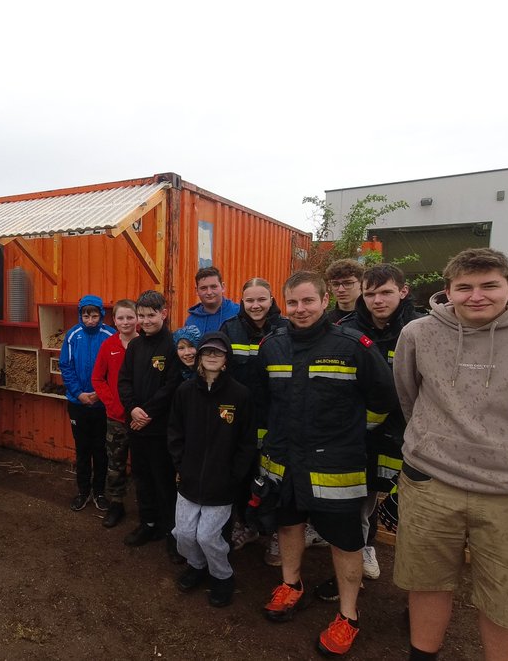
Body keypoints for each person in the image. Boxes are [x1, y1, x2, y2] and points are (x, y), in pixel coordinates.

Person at [392, 248, 508, 661]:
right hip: (431, 483)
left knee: (506, 597)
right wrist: (433, 442)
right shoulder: (418, 335)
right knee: (425, 583)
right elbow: (409, 396)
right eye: (464, 287)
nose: (476, 296)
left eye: (489, 286)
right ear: (448, 292)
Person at [256, 271, 396, 657]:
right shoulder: (272, 346)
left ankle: (348, 616)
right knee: (288, 524)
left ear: (323, 302)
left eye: (308, 301)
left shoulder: (353, 345)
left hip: (335, 466)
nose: (300, 310)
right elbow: (265, 404)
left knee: (345, 541)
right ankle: (291, 584)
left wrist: (351, 433)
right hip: (284, 462)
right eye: (294, 303)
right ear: (284, 304)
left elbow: (383, 399)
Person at [313, 263, 422, 599]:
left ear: (402, 291)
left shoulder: (421, 330)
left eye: (385, 292)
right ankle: (351, 575)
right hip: (356, 435)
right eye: (371, 293)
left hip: (409, 440)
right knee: (356, 506)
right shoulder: (344, 328)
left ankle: (415, 596)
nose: (377, 300)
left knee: (410, 517)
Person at [168, 332, 254, 607]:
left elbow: (247, 441)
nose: (212, 357)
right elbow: (175, 431)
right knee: (183, 533)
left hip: (222, 483)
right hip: (190, 478)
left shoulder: (239, 394)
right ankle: (196, 566)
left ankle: (221, 576)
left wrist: (235, 475)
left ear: (226, 358)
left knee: (207, 535)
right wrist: (180, 464)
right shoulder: (184, 392)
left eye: (218, 353)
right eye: (207, 353)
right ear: (200, 359)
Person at [218, 277, 288, 562]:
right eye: (250, 300)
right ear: (241, 302)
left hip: (277, 419)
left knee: (275, 479)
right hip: (242, 420)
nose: (256, 305)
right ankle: (246, 526)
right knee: (243, 474)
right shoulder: (230, 329)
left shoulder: (286, 329)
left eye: (261, 299)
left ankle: (275, 534)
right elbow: (222, 374)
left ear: (271, 300)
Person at [118, 290, 184, 564]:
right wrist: (133, 408)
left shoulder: (173, 344)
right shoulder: (135, 346)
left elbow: (172, 385)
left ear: (164, 314)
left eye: (150, 315)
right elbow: (124, 380)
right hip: (136, 425)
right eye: (141, 316)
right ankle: (148, 523)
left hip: (160, 428)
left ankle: (171, 532)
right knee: (142, 478)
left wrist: (148, 413)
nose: (145, 321)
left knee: (164, 481)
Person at [58, 295, 115, 512]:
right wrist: (79, 393)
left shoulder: (110, 335)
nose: (90, 320)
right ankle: (83, 492)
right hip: (78, 402)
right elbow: (66, 366)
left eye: (94, 315)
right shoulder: (73, 335)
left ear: (101, 314)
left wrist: (100, 394)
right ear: (80, 315)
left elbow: (114, 370)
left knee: (101, 450)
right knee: (82, 450)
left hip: (102, 405)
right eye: (85, 315)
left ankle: (99, 492)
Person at [90, 299, 138, 529]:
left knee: (144, 466)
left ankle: (148, 509)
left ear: (137, 318)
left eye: (130, 317)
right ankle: (116, 504)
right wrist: (113, 405)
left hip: (143, 420)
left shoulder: (146, 345)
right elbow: (98, 378)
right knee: (115, 464)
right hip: (116, 418)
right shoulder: (108, 345)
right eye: (121, 317)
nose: (126, 322)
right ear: (114, 320)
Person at [184, 266, 241, 335]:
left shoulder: (238, 313)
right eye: (203, 288)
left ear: (223, 287)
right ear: (197, 291)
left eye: (213, 287)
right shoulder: (191, 321)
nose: (209, 292)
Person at [325, 259, 364, 324]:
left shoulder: (373, 318)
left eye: (348, 283)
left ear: (361, 284)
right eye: (335, 284)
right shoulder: (325, 322)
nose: (341, 290)